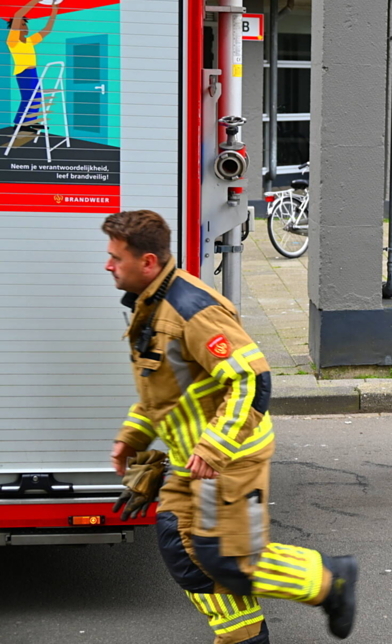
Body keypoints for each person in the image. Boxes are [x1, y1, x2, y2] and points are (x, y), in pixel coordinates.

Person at [102, 210, 357, 644]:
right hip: (192, 458)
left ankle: (329, 580)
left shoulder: (191, 310)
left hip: (230, 456)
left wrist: (214, 447)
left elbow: (252, 378)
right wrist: (132, 437)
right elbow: (163, 391)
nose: (108, 265)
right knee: (184, 550)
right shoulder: (153, 306)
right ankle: (243, 634)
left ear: (147, 262)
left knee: (226, 557)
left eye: (115, 258)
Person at [6, 0, 58, 131]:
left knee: (37, 97)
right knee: (28, 98)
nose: (24, 26)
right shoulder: (13, 41)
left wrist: (54, 10)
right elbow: (17, 15)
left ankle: (31, 121)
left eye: (25, 24)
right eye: (22, 24)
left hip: (33, 71)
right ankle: (19, 124)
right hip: (23, 73)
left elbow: (47, 30)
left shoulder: (29, 41)